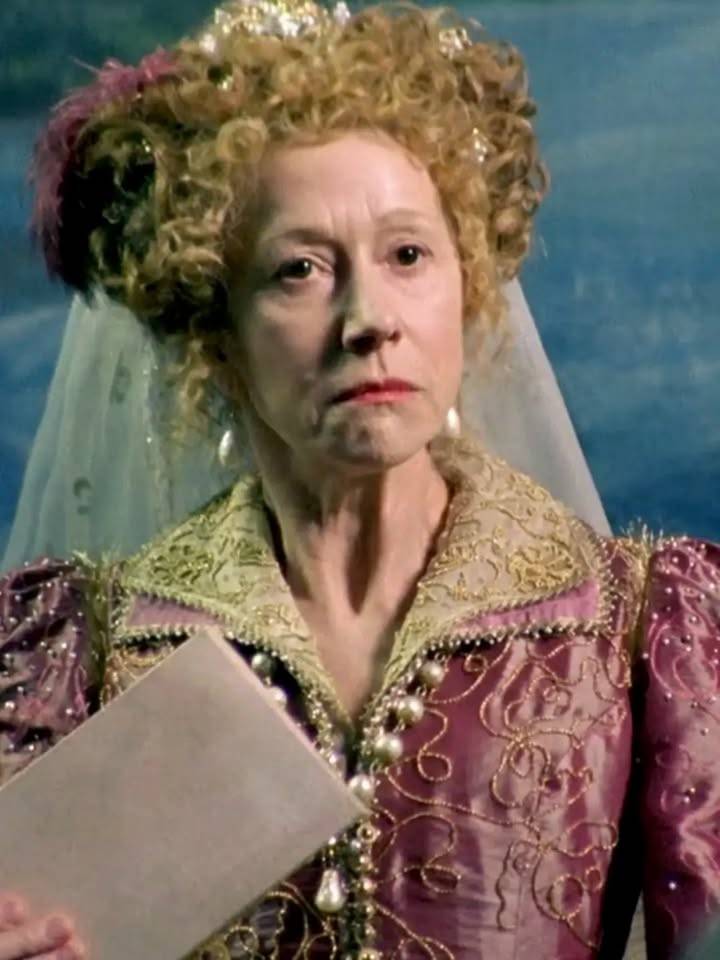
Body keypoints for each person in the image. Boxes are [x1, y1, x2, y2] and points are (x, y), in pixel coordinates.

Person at [0, 2, 718, 958]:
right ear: (215, 326)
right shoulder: (78, 652)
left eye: (408, 254)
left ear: (468, 283)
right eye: (299, 269)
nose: (369, 318)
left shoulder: (641, 625)